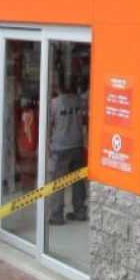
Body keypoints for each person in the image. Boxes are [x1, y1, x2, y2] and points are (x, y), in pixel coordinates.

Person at [48, 77, 88, 225]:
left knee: (58, 183)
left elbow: (48, 125)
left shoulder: (55, 103)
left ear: (59, 87)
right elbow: (85, 120)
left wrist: (48, 145)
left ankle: (56, 215)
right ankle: (80, 211)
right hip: (77, 145)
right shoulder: (79, 101)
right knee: (78, 181)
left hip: (61, 148)